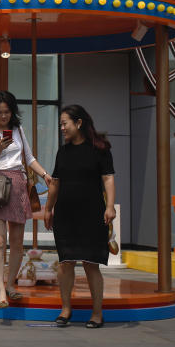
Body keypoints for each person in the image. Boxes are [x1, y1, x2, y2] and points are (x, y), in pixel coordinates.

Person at [43, 104, 116, 328]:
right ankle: (65, 310)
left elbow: (108, 179)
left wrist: (110, 206)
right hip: (65, 214)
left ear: (79, 123)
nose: (62, 128)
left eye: (65, 123)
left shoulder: (100, 149)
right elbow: (55, 183)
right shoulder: (63, 152)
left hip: (92, 213)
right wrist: (48, 209)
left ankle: (97, 313)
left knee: (90, 264)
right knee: (65, 263)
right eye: (61, 124)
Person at [0, 90, 51, 308]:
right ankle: (0, 290)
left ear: (12, 111)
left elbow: (29, 158)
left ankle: (10, 284)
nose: (3, 116)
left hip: (18, 183)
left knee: (17, 242)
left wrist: (45, 175)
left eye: (7, 111)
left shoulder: (18, 130)